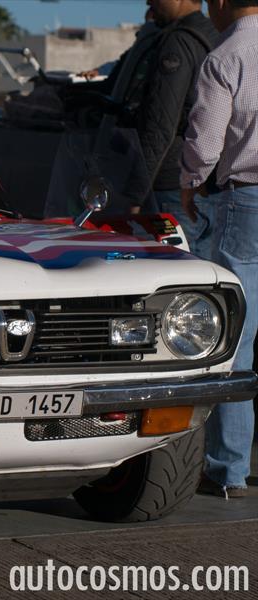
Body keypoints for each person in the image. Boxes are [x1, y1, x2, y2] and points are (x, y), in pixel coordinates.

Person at [180, 0, 258, 499]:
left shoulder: (227, 56)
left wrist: (190, 181)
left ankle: (228, 469)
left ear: (226, 2)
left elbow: (207, 142)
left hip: (246, 200)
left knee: (238, 337)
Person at [126, 0, 218, 256]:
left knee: (175, 278)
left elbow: (159, 125)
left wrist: (134, 194)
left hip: (172, 184)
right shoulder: (218, 35)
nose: (148, 2)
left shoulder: (178, 41)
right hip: (213, 182)